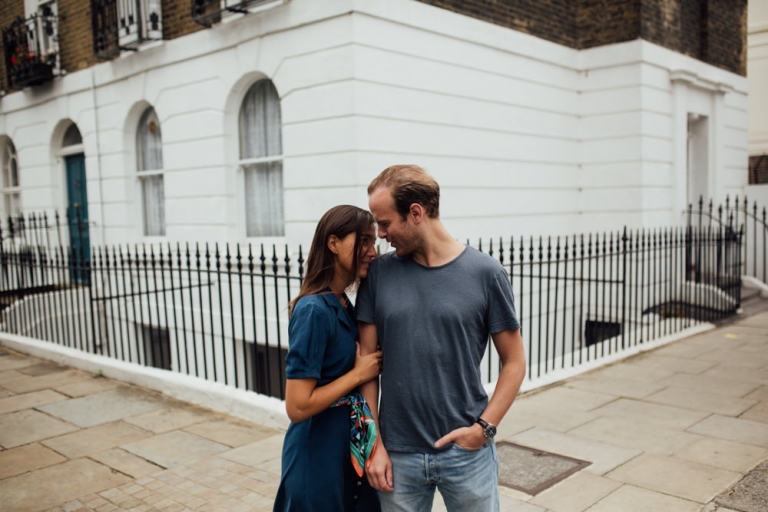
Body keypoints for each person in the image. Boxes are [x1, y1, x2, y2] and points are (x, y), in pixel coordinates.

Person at [356, 165, 527, 511]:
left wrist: (484, 429)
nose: (380, 234)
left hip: (466, 455)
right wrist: (373, 446)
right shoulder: (378, 274)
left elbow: (515, 361)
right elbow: (366, 366)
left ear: (415, 213)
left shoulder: (485, 273)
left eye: (386, 223)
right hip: (397, 456)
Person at [273, 205, 383, 512]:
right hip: (316, 452)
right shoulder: (313, 310)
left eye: (374, 242)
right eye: (363, 241)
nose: (372, 251)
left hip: (343, 447)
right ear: (333, 243)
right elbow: (297, 406)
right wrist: (358, 375)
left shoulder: (342, 303)